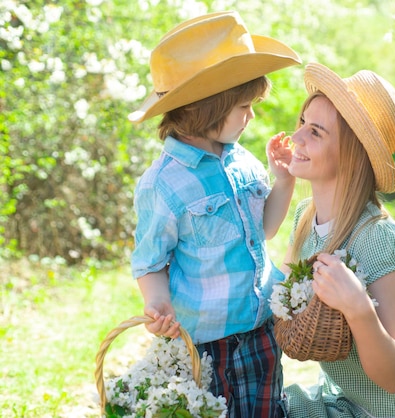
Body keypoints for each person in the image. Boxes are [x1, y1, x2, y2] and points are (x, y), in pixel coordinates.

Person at [128, 11, 301, 417]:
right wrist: (158, 304)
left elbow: (265, 230)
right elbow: (149, 260)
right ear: (208, 107)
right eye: (244, 106)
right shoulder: (164, 184)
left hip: (260, 330)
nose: (252, 116)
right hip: (204, 342)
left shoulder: (241, 162)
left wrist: (284, 181)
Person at [281, 63, 395, 417]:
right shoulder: (305, 218)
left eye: (315, 132)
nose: (297, 138)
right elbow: (287, 311)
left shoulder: (380, 238)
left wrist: (358, 308)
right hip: (351, 402)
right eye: (302, 123)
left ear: (352, 153)